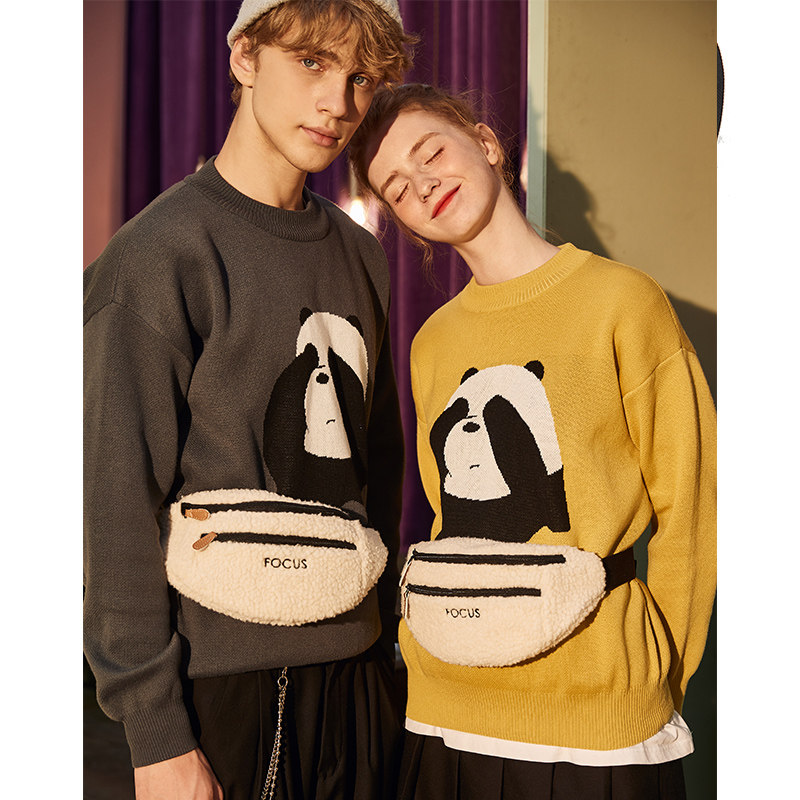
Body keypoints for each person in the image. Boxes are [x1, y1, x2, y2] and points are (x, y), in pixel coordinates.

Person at [83, 3, 416, 799]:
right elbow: (116, 507)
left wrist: (385, 648)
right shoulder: (158, 253)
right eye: (311, 62)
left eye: (360, 78)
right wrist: (156, 733)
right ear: (243, 56)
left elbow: (378, 471)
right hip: (223, 686)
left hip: (358, 675)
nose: (337, 101)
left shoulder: (360, 253)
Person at [348, 83, 717, 800]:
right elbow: (448, 518)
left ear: (487, 144)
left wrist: (655, 672)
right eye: (397, 187)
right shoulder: (432, 343)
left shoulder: (622, 301)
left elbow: (692, 508)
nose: (422, 185)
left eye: (431, 154)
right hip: (446, 708)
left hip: (597, 717)